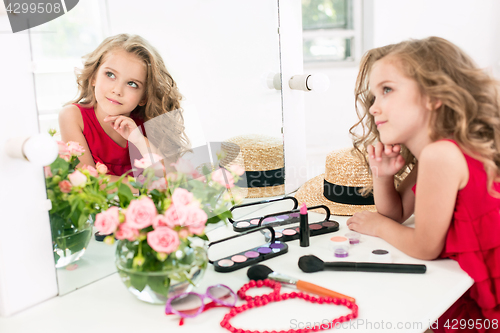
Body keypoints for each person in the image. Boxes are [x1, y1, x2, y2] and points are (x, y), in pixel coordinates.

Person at [346, 36, 500, 332]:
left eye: (387, 90)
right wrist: (383, 175)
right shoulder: (437, 153)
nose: (374, 108)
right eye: (373, 97)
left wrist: (377, 226)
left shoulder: (441, 154)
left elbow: (425, 246)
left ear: (433, 96)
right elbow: (396, 214)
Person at [59, 33, 191, 180]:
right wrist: (144, 185)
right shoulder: (72, 116)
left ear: (144, 97)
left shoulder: (147, 121)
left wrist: (139, 140)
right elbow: (89, 182)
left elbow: (170, 179)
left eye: (132, 84)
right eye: (110, 74)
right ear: (93, 77)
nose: (117, 90)